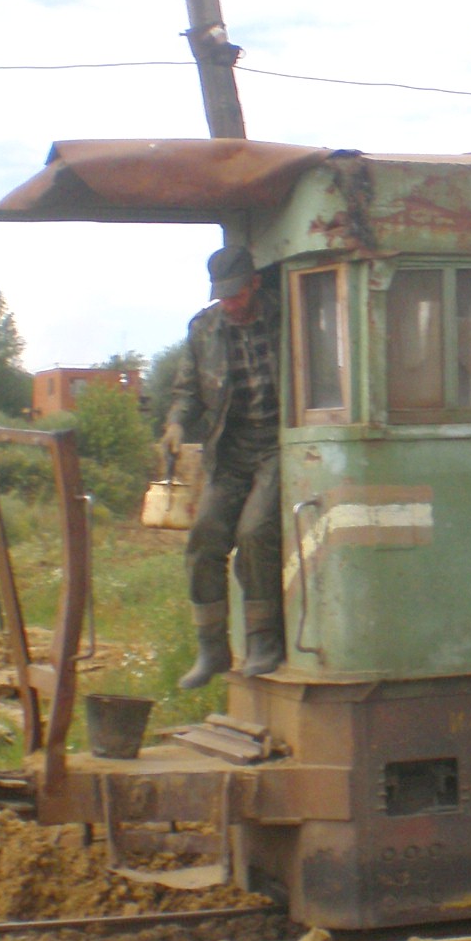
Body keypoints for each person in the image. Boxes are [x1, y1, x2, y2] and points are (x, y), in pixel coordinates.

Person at [162, 243, 286, 687]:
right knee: (203, 542)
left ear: (254, 283)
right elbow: (187, 392)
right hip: (230, 452)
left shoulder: (286, 314)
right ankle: (212, 649)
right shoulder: (204, 329)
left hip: (278, 447)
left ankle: (263, 641)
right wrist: (176, 425)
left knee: (255, 535)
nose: (229, 303)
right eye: (222, 295)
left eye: (236, 293)